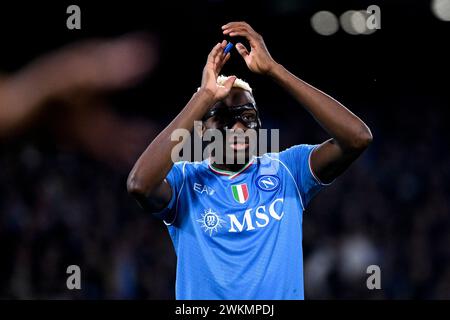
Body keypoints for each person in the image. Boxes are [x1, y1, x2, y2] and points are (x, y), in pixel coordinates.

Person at [127, 21, 373, 299]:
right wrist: (205, 96)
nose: (238, 128)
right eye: (224, 118)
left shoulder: (288, 170)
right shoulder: (185, 180)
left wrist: (275, 71)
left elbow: (357, 138)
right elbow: (139, 184)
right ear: (202, 128)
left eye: (247, 117)